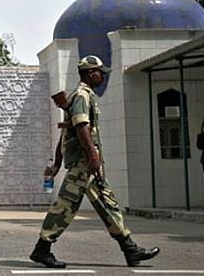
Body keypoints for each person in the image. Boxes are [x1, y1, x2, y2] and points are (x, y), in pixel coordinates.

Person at [29, 55, 160, 268]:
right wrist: (93, 156)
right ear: (90, 73)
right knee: (65, 207)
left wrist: (58, 163)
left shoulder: (82, 96)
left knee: (107, 205)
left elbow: (66, 133)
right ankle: (42, 249)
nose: (102, 76)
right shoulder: (81, 96)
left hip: (87, 164)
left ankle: (130, 250)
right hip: (83, 164)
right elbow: (80, 128)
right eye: (100, 72)